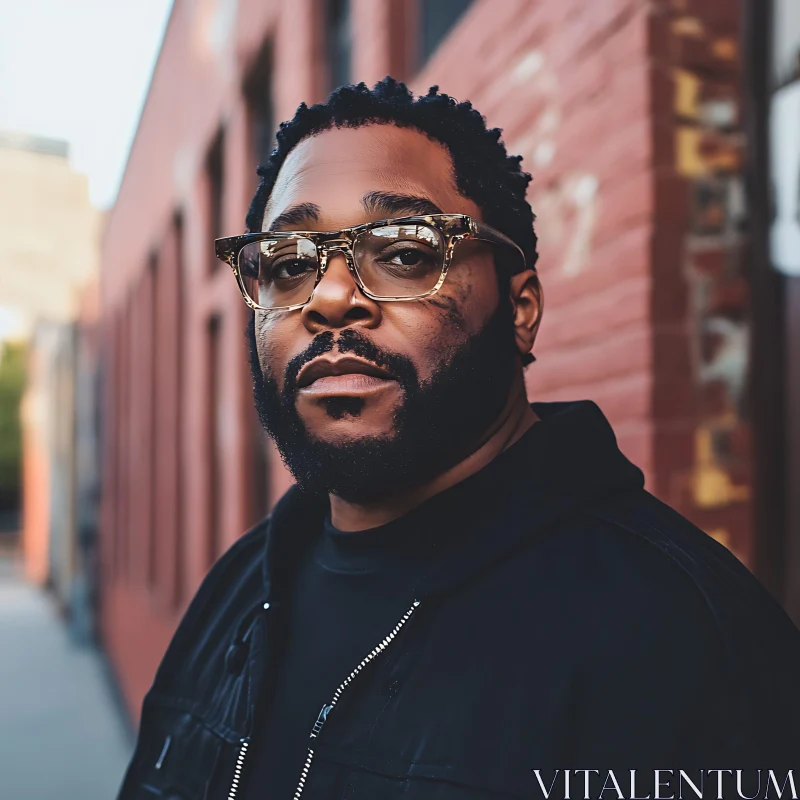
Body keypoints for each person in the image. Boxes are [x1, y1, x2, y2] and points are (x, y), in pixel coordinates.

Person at [117, 79, 800, 800]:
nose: (329, 297)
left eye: (406, 252)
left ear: (522, 310)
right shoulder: (237, 591)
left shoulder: (684, 640)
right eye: (289, 265)